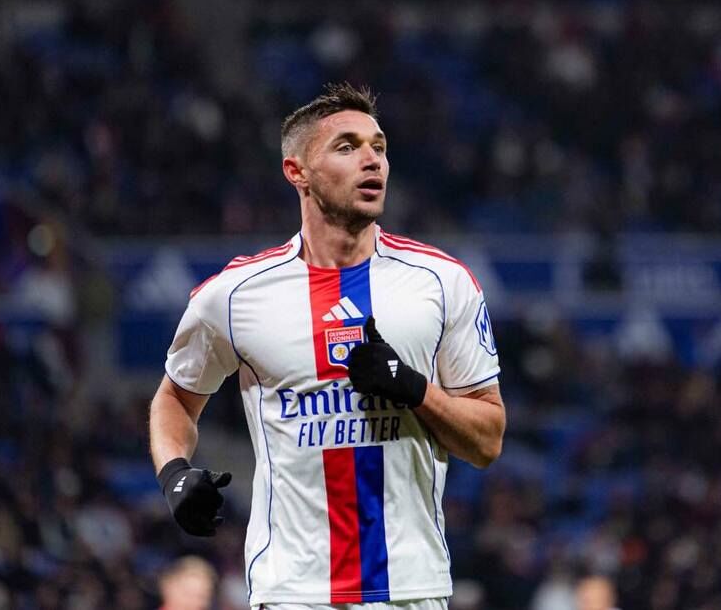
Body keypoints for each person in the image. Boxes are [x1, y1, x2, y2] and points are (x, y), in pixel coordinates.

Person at [148, 83, 506, 610]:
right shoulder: (234, 295)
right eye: (347, 147)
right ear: (297, 172)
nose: (372, 160)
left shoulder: (443, 282)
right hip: (292, 592)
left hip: (410, 588)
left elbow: (488, 439)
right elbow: (175, 397)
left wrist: (413, 388)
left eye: (379, 147)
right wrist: (174, 474)